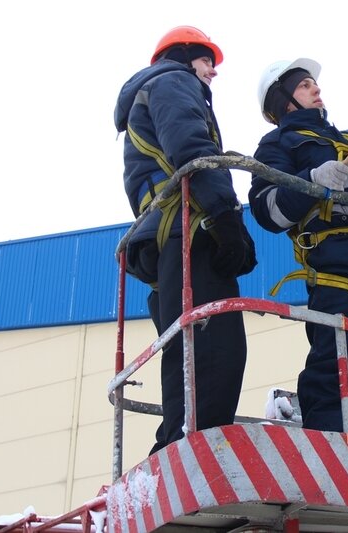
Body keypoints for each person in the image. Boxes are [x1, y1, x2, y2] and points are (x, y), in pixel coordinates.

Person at [248, 58, 348, 439]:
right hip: (341, 269)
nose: (316, 89)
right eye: (305, 85)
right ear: (283, 99)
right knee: (338, 366)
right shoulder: (279, 144)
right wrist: (311, 181)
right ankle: (333, 452)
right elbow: (267, 209)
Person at [113, 26, 256, 455]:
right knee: (217, 350)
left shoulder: (148, 94)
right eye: (208, 61)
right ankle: (196, 449)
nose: (212, 72)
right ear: (185, 55)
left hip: (167, 241)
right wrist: (227, 216)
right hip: (189, 230)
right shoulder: (173, 81)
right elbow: (193, 147)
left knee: (188, 351)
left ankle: (177, 442)